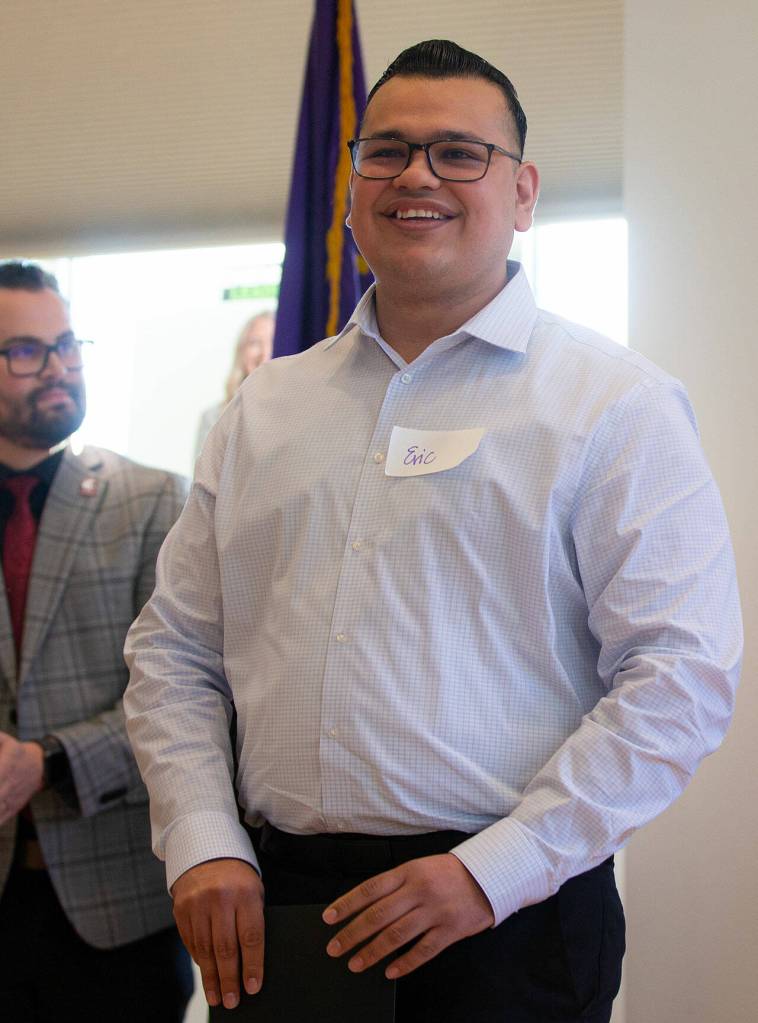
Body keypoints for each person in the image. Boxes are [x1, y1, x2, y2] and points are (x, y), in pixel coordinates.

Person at [124, 39, 742, 1023]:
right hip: (282, 906)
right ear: (352, 181)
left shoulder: (611, 404)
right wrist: (200, 837)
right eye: (387, 151)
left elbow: (681, 675)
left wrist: (491, 872)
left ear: (522, 191)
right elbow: (174, 654)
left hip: (510, 917)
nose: (416, 174)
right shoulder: (264, 410)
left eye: (459, 152)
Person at [0, 261, 193, 1021]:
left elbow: (183, 693)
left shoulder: (150, 499)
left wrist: (43, 761)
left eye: (67, 344)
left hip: (117, 911)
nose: (58, 368)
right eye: (25, 350)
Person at [193, 311, 275, 461]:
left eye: (273, 342)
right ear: (241, 351)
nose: (264, 354)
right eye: (255, 343)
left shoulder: (301, 414)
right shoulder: (214, 417)